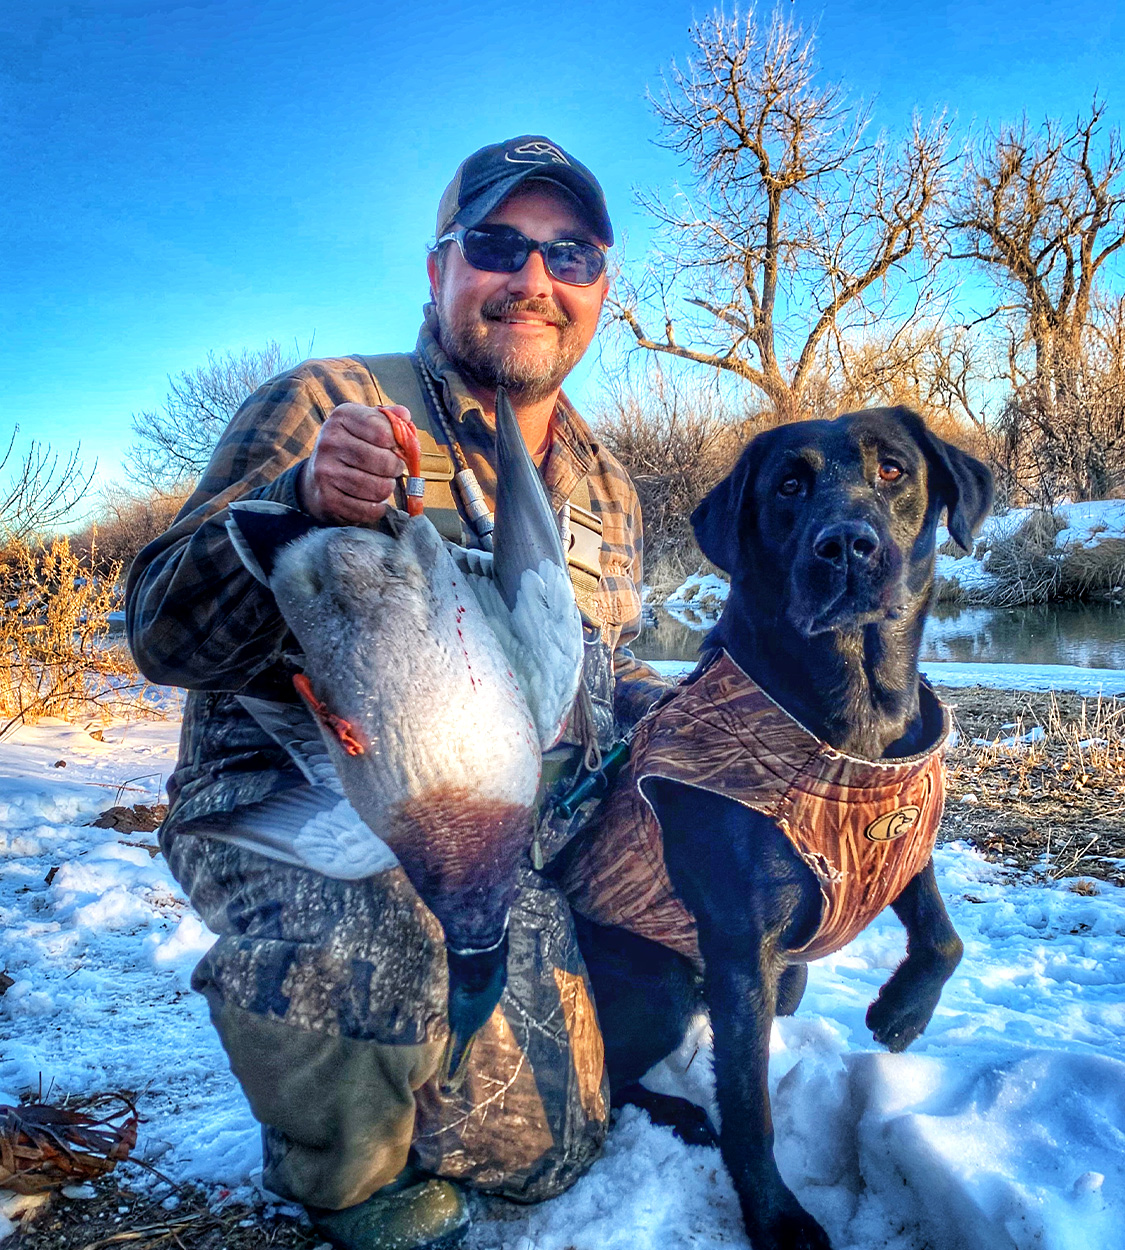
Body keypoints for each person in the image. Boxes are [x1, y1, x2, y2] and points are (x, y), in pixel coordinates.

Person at [126, 135, 668, 1250]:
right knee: (372, 930)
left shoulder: (607, 485)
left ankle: (462, 1036)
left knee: (545, 1152)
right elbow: (159, 626)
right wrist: (301, 498)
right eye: (497, 245)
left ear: (602, 287)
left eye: (570, 253)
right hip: (300, 810)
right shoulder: (329, 400)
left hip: (495, 830)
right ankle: (341, 1161)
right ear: (439, 270)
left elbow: (598, 673)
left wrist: (688, 717)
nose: (533, 279)